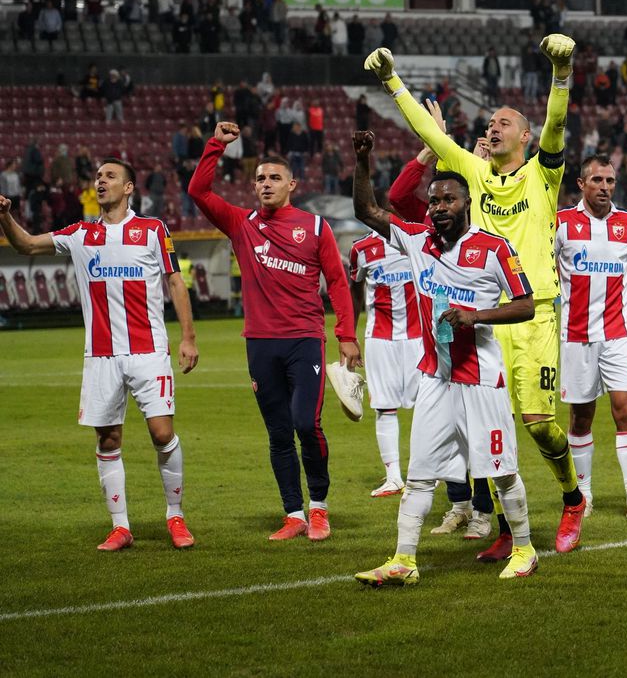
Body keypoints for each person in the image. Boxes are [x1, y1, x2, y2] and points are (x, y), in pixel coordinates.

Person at [367, 35, 588, 557]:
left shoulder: (542, 173)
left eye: (504, 121)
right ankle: (512, 531)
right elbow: (427, 132)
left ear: (525, 135)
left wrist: (562, 73)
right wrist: (391, 82)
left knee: (538, 425)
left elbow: (557, 125)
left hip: (530, 317)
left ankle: (572, 497)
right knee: (483, 429)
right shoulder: (471, 173)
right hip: (480, 320)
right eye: (490, 121)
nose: (493, 126)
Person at [351, 136, 539, 584]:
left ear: (467, 203)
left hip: (480, 379)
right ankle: (403, 560)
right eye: (433, 200)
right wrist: (362, 160)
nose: (438, 207)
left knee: (502, 471)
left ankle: (526, 549)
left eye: (448, 199)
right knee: (419, 476)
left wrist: (476, 315)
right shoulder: (417, 241)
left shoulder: (494, 249)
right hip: (435, 377)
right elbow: (368, 211)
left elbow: (527, 304)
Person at [0, 160, 198, 551]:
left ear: (128, 188)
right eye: (98, 177)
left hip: (149, 350)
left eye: (110, 176)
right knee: (108, 439)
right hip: (101, 356)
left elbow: (175, 281)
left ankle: (175, 515)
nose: (101, 181)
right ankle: (120, 526)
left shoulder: (152, 230)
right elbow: (25, 244)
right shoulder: (80, 233)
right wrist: (5, 217)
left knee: (162, 433)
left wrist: (188, 337)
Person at [188, 122, 361, 541]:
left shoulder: (316, 227)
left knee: (306, 422)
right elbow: (198, 192)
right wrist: (216, 146)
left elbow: (338, 282)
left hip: (304, 340)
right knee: (279, 431)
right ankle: (294, 513)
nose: (265, 184)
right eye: (260, 179)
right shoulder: (240, 223)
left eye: (274, 178)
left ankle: (319, 508)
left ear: (292, 185)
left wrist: (347, 334)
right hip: (260, 344)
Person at [556, 156, 627, 521]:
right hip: (576, 336)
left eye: (610, 181)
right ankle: (586, 494)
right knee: (581, 418)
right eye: (597, 180)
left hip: (618, 335)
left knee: (625, 410)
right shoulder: (562, 224)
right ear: (582, 184)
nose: (605, 187)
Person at [348, 145, 435, 500]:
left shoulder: (417, 240)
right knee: (384, 406)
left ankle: (422, 472)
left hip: (418, 335)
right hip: (380, 337)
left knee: (426, 407)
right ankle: (393, 477)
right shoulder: (361, 249)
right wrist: (348, 335)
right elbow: (355, 292)